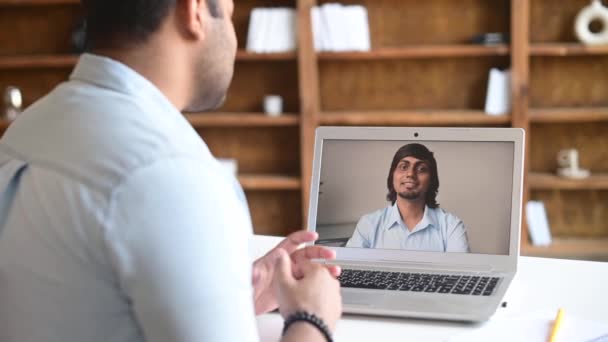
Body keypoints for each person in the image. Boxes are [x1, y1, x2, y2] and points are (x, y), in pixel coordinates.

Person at [0, 1, 342, 341]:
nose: (234, 38)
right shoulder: (174, 177)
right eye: (228, 11)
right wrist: (311, 319)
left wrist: (221, 296)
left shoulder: (28, 127)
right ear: (194, 12)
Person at [346, 143, 470, 252]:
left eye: (421, 169)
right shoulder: (368, 224)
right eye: (403, 167)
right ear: (392, 175)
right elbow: (348, 269)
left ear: (432, 180)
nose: (410, 174)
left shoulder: (452, 226)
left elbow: (458, 276)